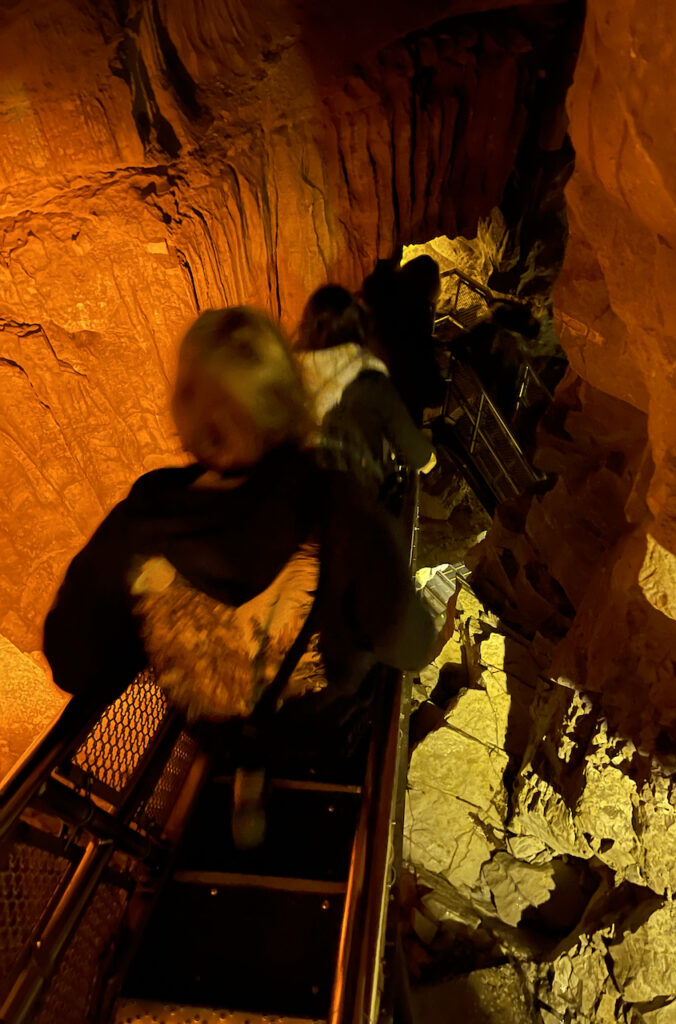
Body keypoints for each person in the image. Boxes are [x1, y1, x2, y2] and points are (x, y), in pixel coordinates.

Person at [44, 306, 436, 843]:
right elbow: (408, 645)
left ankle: (247, 764)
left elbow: (72, 662)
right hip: (329, 734)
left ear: (186, 410)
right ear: (285, 398)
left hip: (214, 732)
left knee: (243, 711)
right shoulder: (337, 499)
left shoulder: (144, 519)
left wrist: (150, 627)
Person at [295, 284, 435, 505]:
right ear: (356, 325)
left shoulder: (290, 371)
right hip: (352, 497)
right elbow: (408, 441)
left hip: (301, 494)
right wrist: (427, 458)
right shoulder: (369, 377)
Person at [363, 255, 445, 426]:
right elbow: (419, 360)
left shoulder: (383, 301)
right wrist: (439, 390)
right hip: (397, 404)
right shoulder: (416, 320)